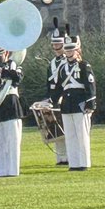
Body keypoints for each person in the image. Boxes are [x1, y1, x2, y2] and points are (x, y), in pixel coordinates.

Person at [58, 33, 95, 171]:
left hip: (80, 103)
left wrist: (91, 103)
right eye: (66, 49)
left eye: (71, 49)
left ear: (77, 49)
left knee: (82, 134)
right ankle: (73, 163)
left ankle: (84, 162)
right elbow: (59, 88)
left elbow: (90, 84)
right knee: (70, 135)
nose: (68, 52)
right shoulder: (62, 68)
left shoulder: (84, 66)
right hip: (67, 104)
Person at [0, 45, 24, 177]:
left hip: (10, 103)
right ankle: (0, 171)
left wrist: (2, 71)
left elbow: (17, 78)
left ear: (6, 53)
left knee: (12, 140)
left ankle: (13, 170)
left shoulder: (15, 66)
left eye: (0, 54)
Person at [44, 23, 69, 167]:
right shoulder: (52, 63)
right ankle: (61, 156)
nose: (56, 48)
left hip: (65, 97)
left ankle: (70, 155)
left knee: (67, 129)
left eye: (58, 44)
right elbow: (49, 83)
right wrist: (47, 99)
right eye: (54, 44)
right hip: (54, 98)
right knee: (56, 128)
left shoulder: (69, 61)